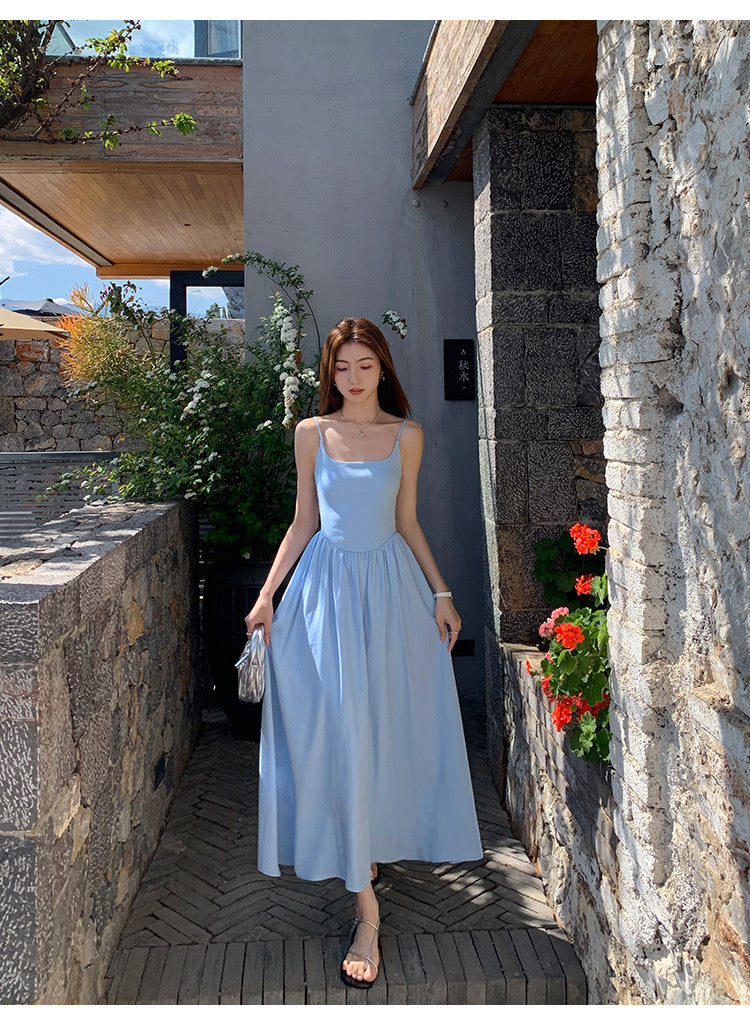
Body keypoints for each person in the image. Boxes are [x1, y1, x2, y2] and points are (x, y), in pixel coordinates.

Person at [245, 317, 483, 989]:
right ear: (331, 373)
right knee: (338, 731)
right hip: (324, 594)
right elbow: (303, 522)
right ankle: (366, 913)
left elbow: (406, 521)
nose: (353, 378)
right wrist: (267, 595)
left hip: (390, 595)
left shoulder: (408, 436)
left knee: (382, 728)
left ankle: (368, 842)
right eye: (342, 367)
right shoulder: (310, 433)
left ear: (383, 368)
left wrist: (441, 592)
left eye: (365, 366)